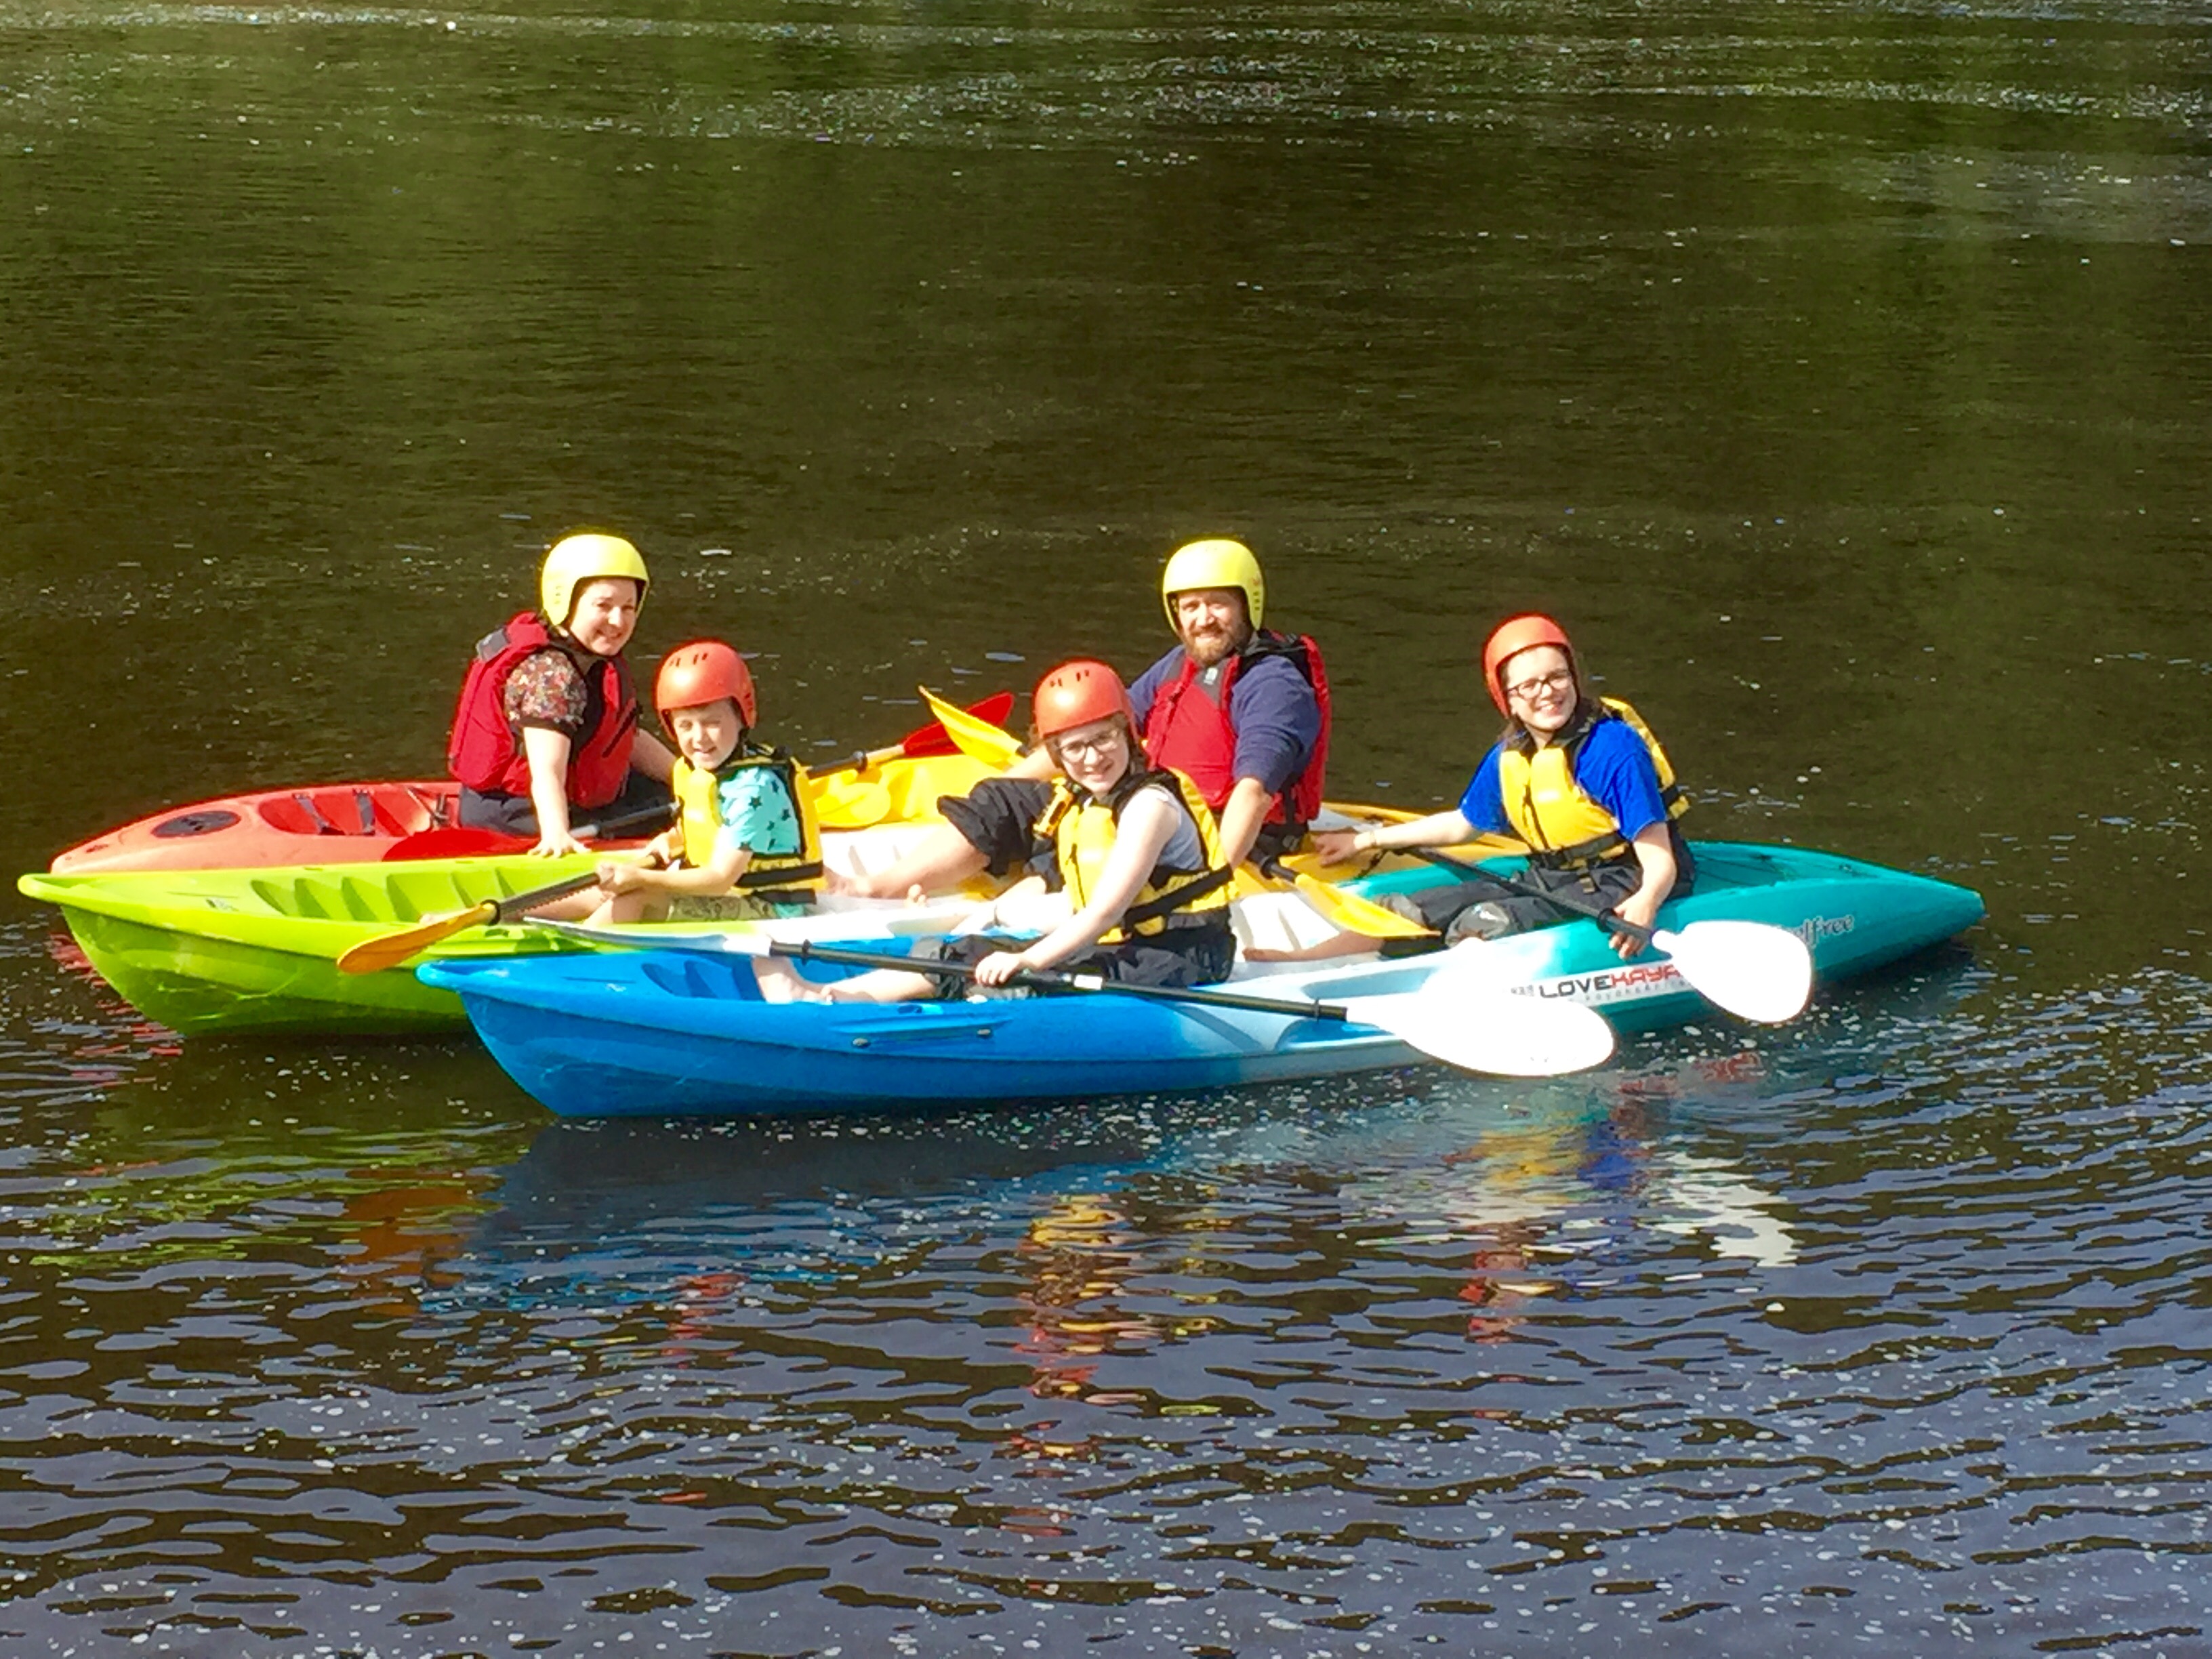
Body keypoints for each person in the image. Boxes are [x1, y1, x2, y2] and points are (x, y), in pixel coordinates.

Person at [832, 536, 1327, 900]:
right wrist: (1003, 783)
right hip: (1153, 801)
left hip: (1205, 831)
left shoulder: (1273, 684)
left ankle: (1027, 900)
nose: (1203, 618)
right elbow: (1097, 728)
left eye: (1218, 603)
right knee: (1004, 801)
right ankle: (879, 888)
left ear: (1248, 603)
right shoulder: (1180, 665)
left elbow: (1253, 793)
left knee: (1080, 839)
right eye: (1190, 606)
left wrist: (1210, 880)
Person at [756, 660, 1235, 1004]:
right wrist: (992, 916)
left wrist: (1029, 961)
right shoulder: (1082, 803)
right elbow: (1075, 893)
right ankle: (828, 997)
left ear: (1127, 732)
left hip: (1185, 955)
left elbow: (1104, 909)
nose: (1092, 758)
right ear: (1057, 756)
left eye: (1104, 739)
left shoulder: (1149, 806)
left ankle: (847, 1003)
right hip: (1131, 940)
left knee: (1027, 975)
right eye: (1074, 748)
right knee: (964, 951)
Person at [1311, 614, 1693, 960]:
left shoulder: (1613, 749)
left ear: (1574, 677)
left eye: (1557, 676)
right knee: (1404, 912)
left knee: (1484, 923)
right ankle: (1297, 964)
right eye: (1528, 686)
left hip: (1625, 875)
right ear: (1507, 699)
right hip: (1553, 877)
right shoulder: (1512, 754)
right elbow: (1463, 825)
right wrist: (1365, 841)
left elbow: (1660, 860)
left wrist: (1646, 903)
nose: (1546, 692)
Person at [552, 640, 823, 926]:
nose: (699, 738)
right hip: (729, 895)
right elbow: (702, 825)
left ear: (743, 715)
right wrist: (671, 839)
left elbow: (719, 878)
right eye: (686, 726)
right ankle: (513, 919)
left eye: (712, 723)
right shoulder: (693, 771)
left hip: (768, 908)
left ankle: (575, 952)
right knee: (606, 891)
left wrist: (641, 877)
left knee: (637, 896)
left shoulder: (755, 788)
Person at [446, 531, 674, 856]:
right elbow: (547, 767)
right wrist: (557, 834)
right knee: (662, 808)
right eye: (603, 606)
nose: (617, 620)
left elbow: (626, 739)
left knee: (665, 791)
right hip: (513, 813)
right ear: (565, 601)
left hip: (534, 800)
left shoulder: (592, 660)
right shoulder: (551, 674)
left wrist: (686, 776)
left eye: (628, 607)